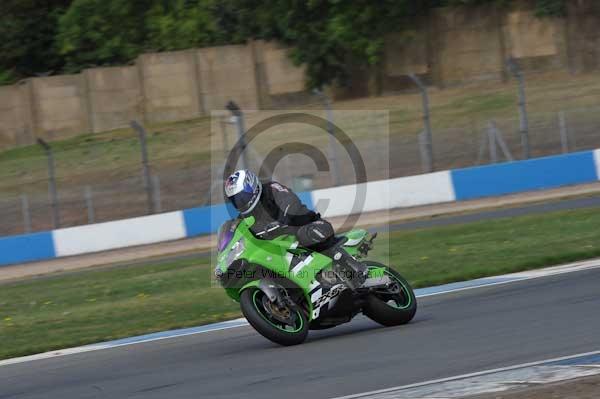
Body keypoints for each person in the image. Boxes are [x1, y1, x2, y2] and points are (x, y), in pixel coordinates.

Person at [224, 169, 368, 288]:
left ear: (252, 185)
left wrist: (281, 221)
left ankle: (352, 266)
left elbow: (290, 203)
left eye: (243, 197)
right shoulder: (245, 217)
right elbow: (240, 232)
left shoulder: (272, 189)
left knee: (304, 234)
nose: (241, 202)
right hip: (284, 243)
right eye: (236, 200)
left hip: (311, 226)